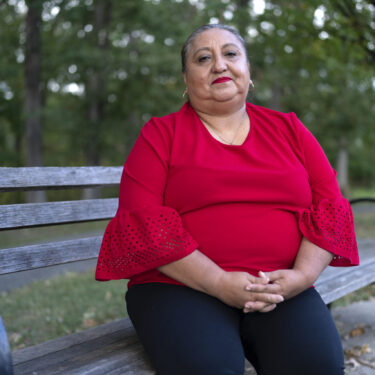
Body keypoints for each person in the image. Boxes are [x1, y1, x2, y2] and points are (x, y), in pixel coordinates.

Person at [95, 24, 359, 375]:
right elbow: (144, 223)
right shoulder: (160, 135)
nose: (219, 65)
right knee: (208, 367)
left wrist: (301, 275)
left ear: (248, 72)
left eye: (231, 54)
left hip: (278, 288)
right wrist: (219, 282)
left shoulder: (289, 129)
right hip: (180, 288)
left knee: (317, 366)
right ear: (186, 81)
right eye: (203, 58)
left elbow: (329, 209)